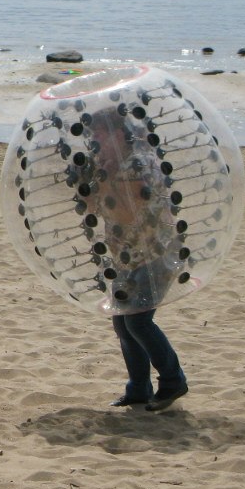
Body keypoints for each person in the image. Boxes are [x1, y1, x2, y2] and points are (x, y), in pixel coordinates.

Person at [87, 111, 189, 412]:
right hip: (127, 255)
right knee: (123, 321)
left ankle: (173, 381)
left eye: (100, 134)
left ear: (119, 134)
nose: (95, 140)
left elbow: (127, 212)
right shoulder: (113, 165)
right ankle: (139, 389)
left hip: (155, 254)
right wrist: (96, 178)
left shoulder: (137, 164)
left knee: (138, 321)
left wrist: (104, 179)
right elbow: (93, 208)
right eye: (93, 134)